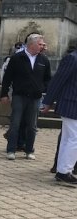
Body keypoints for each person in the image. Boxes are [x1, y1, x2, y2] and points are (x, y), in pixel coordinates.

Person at [0, 33, 51, 160]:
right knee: (15, 124)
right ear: (32, 44)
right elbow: (7, 78)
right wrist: (4, 94)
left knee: (32, 126)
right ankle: (11, 150)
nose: (42, 46)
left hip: (35, 97)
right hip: (19, 95)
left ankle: (29, 150)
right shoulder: (17, 58)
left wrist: (44, 91)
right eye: (40, 44)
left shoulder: (44, 60)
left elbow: (48, 79)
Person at [41, 47, 77, 184]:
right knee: (74, 139)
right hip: (71, 103)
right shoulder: (72, 58)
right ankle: (64, 171)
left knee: (68, 139)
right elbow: (58, 80)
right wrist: (48, 101)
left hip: (72, 104)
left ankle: (63, 170)